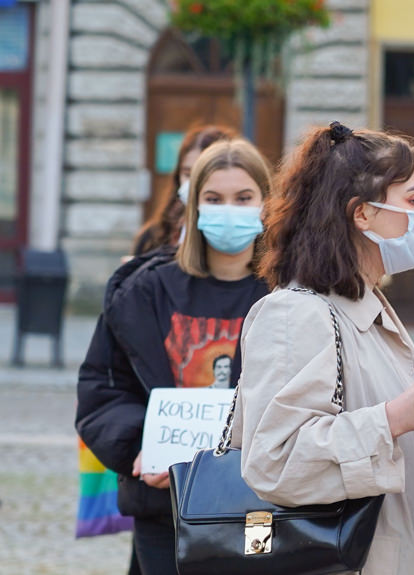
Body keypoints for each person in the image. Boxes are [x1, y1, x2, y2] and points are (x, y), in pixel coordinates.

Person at [232, 122, 414, 575]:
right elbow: (275, 461)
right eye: (413, 200)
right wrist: (395, 416)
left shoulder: (370, 304)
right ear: (362, 214)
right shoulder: (296, 314)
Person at [75, 138, 272, 575]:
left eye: (244, 198)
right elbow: (102, 389)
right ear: (193, 207)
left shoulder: (290, 295)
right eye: (214, 198)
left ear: (266, 203)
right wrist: (136, 447)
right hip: (165, 505)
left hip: (260, 508)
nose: (230, 210)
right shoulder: (143, 291)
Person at [132, 124, 236, 256]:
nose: (193, 184)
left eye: (203, 175)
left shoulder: (242, 238)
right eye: (187, 174)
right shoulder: (154, 236)